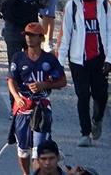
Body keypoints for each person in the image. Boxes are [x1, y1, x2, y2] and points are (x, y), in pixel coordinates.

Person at [60, 0, 111, 142]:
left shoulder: (104, 6)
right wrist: (60, 63)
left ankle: (97, 119)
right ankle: (85, 133)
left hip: (99, 59)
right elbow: (65, 36)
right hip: (78, 60)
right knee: (83, 95)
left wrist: (110, 60)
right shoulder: (72, 6)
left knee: (101, 95)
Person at [7, 23, 68, 175]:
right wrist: (16, 97)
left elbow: (63, 81)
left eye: (33, 35)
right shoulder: (18, 57)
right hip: (23, 107)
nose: (28, 38)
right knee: (23, 150)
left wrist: (45, 85)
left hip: (42, 107)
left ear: (41, 38)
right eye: (27, 34)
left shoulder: (50, 59)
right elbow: (10, 80)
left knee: (38, 149)